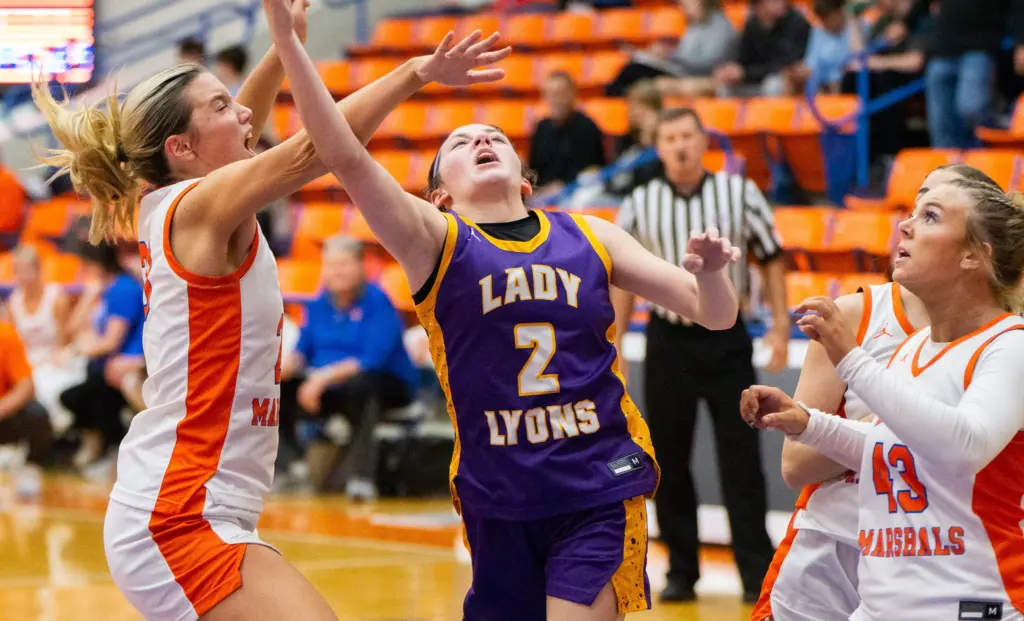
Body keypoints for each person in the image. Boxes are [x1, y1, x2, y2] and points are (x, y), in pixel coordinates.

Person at [263, 2, 741, 619]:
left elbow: (715, 315)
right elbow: (341, 151)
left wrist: (712, 274)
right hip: (499, 492)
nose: (482, 139)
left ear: (524, 179)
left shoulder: (591, 235)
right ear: (440, 195)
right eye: (460, 142)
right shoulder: (434, 241)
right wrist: (288, 41)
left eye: (495, 137)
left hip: (596, 481)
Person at [32, 0, 510, 615]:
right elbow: (318, 149)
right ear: (181, 147)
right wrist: (415, 71)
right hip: (180, 516)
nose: (245, 114)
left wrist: (286, 45)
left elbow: (240, 129)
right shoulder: (199, 208)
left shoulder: (189, 196)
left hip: (199, 505)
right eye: (221, 106)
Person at [743, 172, 1024, 620]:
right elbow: (887, 443)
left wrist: (851, 360)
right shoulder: (914, 349)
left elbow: (964, 446)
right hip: (882, 600)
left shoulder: (1010, 344)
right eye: (912, 212)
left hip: (968, 602)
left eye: (930, 216)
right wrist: (810, 424)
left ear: (974, 255)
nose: (905, 226)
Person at [613, 107, 787, 603]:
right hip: (668, 340)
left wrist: (780, 324)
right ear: (659, 147)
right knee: (668, 455)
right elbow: (621, 277)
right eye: (669, 138)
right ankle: (681, 571)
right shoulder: (639, 201)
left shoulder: (739, 191)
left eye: (687, 135)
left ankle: (755, 570)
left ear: (703, 141)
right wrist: (617, 341)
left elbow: (771, 256)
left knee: (741, 454)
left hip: (727, 338)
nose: (680, 145)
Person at [279, 235, 417, 500]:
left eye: (343, 264)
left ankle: (361, 478)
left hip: (384, 384)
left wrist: (322, 378)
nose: (336, 272)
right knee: (276, 387)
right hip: (326, 384)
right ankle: (291, 468)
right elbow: (302, 350)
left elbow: (371, 360)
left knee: (362, 387)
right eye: (330, 265)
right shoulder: (319, 303)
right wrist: (283, 369)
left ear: (360, 266)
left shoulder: (378, 302)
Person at [58, 242, 145, 469]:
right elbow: (71, 331)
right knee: (77, 388)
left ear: (97, 264)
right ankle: (99, 445)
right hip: (109, 364)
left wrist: (76, 350)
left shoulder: (123, 289)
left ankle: (110, 446)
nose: (82, 272)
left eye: (85, 266)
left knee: (86, 389)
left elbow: (110, 342)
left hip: (130, 364)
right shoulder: (106, 290)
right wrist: (88, 298)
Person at [7, 245, 81, 435]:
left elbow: (65, 340)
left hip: (56, 358)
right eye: (18, 271)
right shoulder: (14, 302)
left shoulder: (57, 298)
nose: (22, 276)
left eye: (26, 270)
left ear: (38, 269)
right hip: (28, 361)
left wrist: (50, 360)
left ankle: (56, 434)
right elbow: (16, 343)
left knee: (44, 385)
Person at [0, 321, 53, 499]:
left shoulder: (5, 334)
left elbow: (26, 387)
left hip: (4, 414)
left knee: (37, 414)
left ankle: (31, 468)